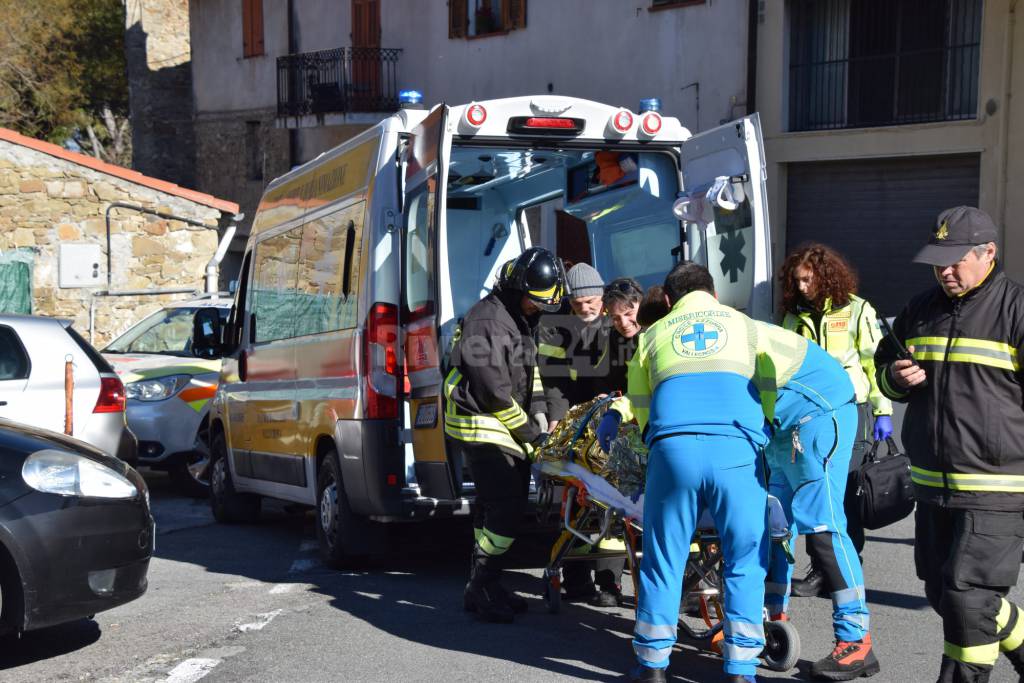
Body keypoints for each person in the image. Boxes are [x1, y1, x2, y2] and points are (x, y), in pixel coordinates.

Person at [874, 206, 1024, 682]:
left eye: (957, 260)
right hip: (931, 484)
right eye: (939, 261)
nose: (946, 271)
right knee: (945, 594)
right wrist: (897, 378)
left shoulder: (1016, 311)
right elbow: (886, 371)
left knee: (967, 597)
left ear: (989, 254)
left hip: (998, 486)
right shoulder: (920, 309)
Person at [610, 262, 775, 683]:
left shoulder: (653, 334)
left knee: (664, 557)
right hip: (736, 451)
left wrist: (653, 436)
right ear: (713, 294)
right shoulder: (746, 326)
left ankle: (652, 666)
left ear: (667, 300)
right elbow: (770, 377)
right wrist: (766, 424)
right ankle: (740, 670)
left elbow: (639, 397)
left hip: (674, 450)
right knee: (743, 558)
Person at [444, 246, 567, 623]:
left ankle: (483, 584)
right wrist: (533, 435)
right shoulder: (489, 322)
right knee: (509, 506)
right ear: (517, 290)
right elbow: (494, 392)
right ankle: (483, 584)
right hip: (480, 422)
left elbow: (530, 375)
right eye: (535, 301)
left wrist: (545, 415)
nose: (538, 309)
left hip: (500, 422)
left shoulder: (515, 317)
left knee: (491, 505)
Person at [759, 314, 879, 680]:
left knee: (824, 531)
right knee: (773, 527)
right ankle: (770, 619)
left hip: (817, 418)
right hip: (781, 428)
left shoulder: (731, 340)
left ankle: (856, 641)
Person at [778, 244, 894, 598]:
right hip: (807, 411)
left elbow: (874, 361)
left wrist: (883, 409)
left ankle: (843, 564)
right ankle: (822, 568)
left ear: (825, 276)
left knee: (844, 490)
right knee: (816, 486)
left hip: (849, 408)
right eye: (796, 281)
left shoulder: (857, 310)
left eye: (808, 280)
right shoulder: (793, 317)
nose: (801, 288)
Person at [538, 263, 629, 607]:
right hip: (578, 421)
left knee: (614, 502)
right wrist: (556, 422)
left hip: (613, 418)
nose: (586, 309)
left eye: (592, 301)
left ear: (603, 297)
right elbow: (555, 381)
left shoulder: (616, 324)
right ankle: (576, 580)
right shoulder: (554, 329)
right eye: (578, 305)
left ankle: (609, 582)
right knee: (575, 501)